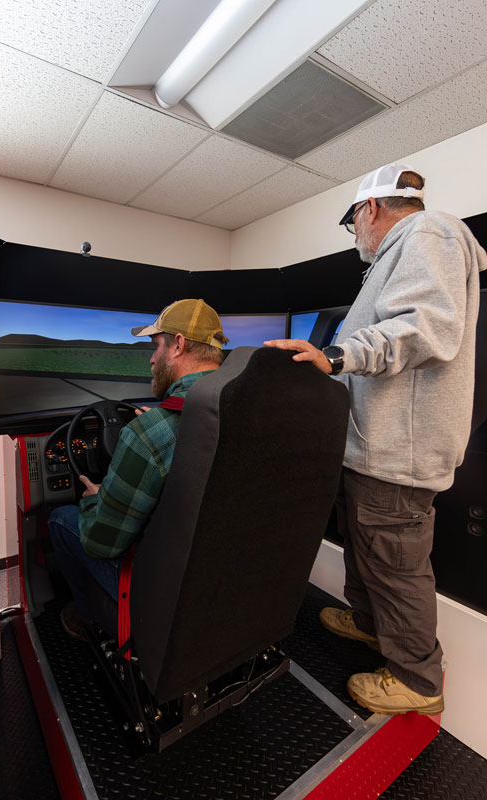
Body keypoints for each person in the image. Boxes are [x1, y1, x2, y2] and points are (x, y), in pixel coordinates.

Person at [266, 162, 486, 715]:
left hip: (399, 453)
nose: (357, 237)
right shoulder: (401, 254)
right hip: (374, 447)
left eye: (353, 223)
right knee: (368, 554)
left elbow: (426, 327)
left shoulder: (430, 233)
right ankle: (369, 624)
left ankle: (417, 680)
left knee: (395, 563)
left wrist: (338, 355)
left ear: (369, 210)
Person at [48, 298, 228, 639]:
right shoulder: (245, 411)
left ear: (178, 345)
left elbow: (102, 543)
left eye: (155, 346)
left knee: (60, 521)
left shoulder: (146, 437)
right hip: (222, 576)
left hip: (164, 591)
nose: (151, 358)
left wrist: (95, 497)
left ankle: (87, 619)